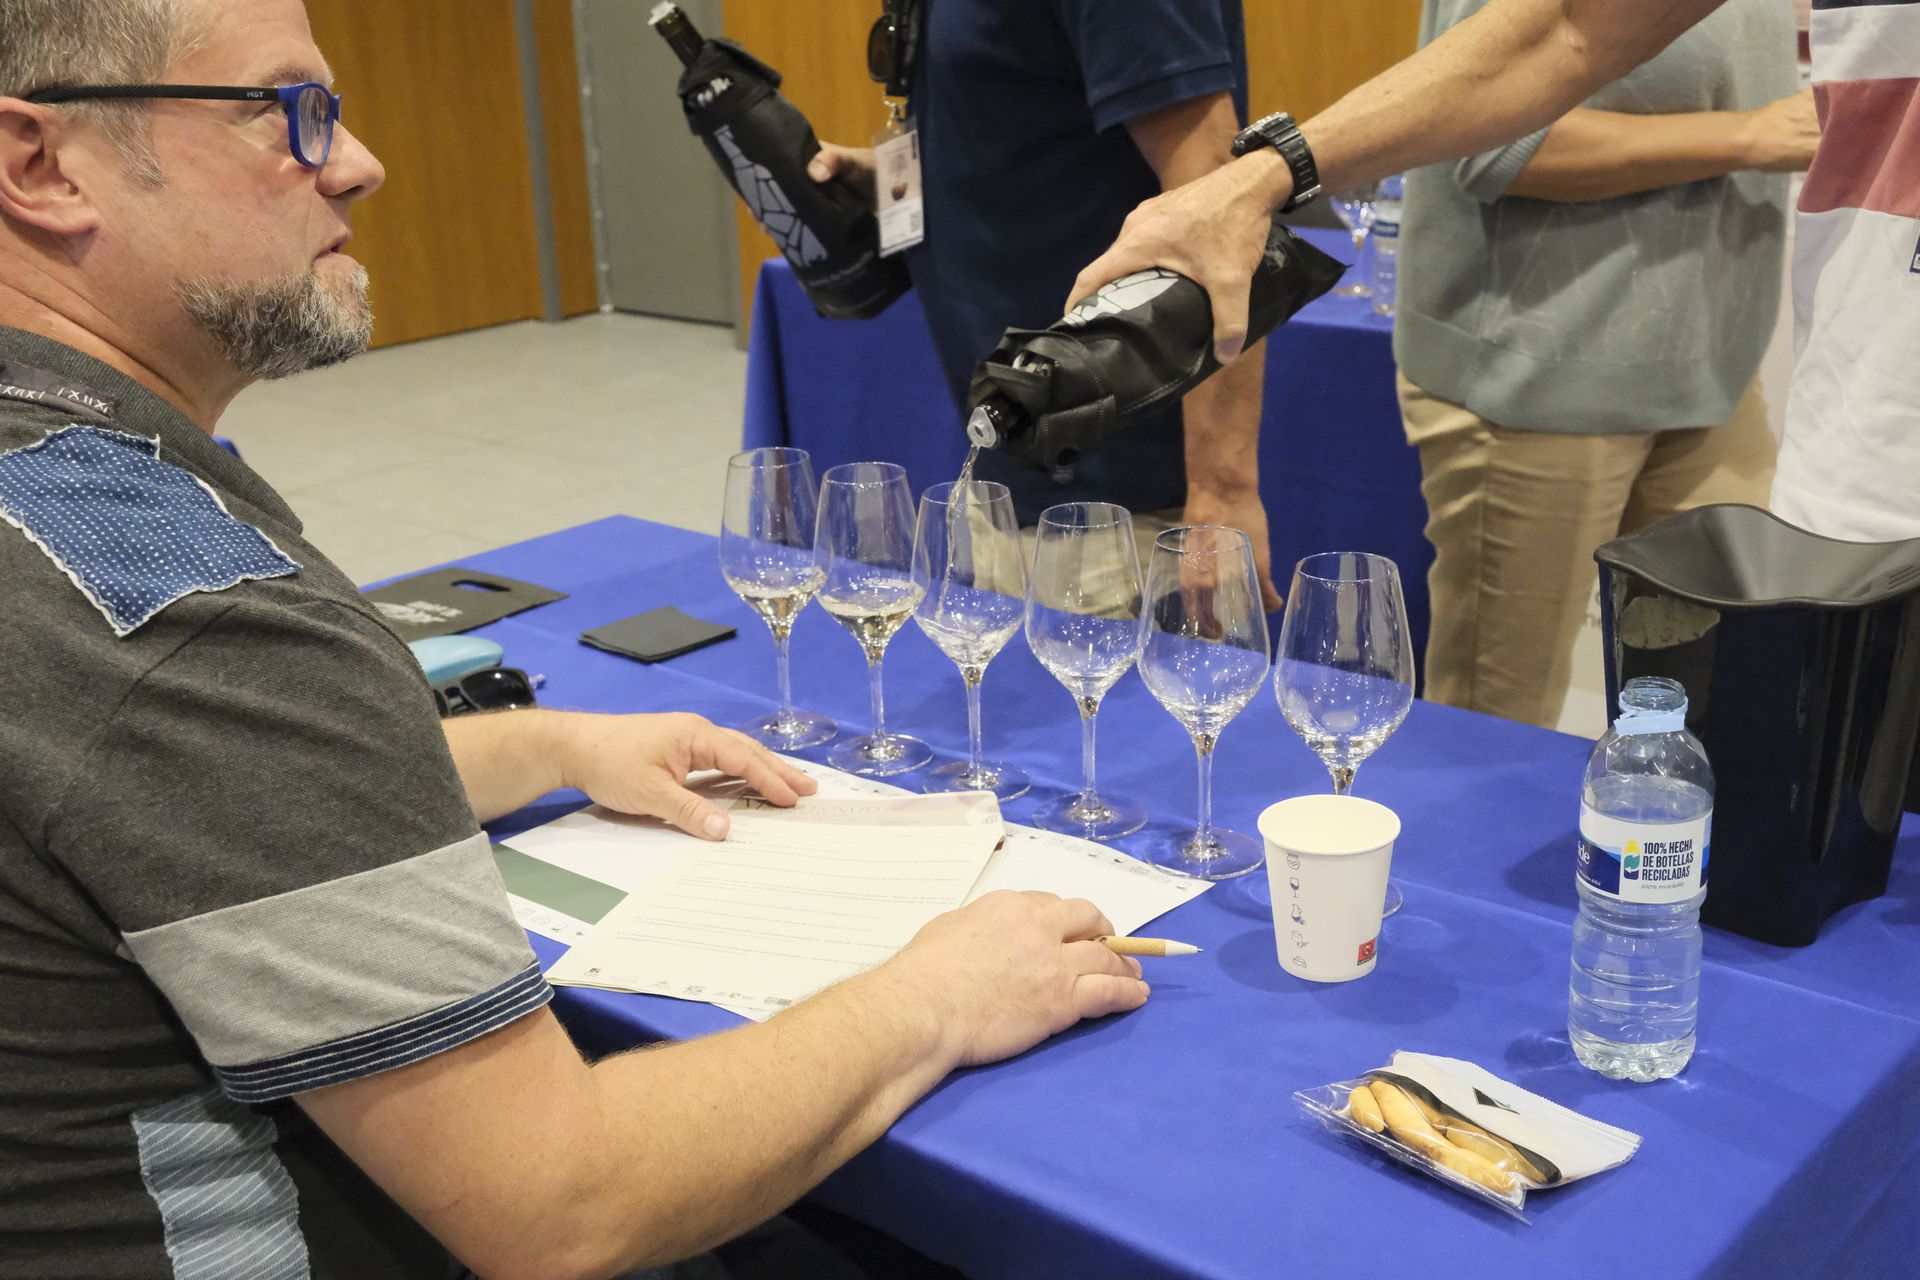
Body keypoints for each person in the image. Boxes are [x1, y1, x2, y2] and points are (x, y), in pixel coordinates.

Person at [0, 2, 1148, 1277]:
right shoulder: (183, 605)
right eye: (291, 115)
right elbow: (560, 1203)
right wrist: (938, 994)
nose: (360, 163)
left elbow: (170, 797)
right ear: (41, 166)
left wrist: (545, 745)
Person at [1071, 0, 1920, 547]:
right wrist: (1262, 177)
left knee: (1701, 715)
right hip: (1563, 381)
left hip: (1720, 378)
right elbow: (1560, 42)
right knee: (1520, 728)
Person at [1394, 0, 1816, 728]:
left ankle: (1648, 809)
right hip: (1537, 386)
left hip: (1710, 380)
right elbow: (1491, 141)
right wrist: (1747, 136)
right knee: (1496, 726)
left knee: (1695, 713)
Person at [809, 0, 1284, 605]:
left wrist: (1221, 491)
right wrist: (891, 182)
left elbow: (1223, 206)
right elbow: (1027, 120)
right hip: (1009, 468)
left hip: (1117, 514)